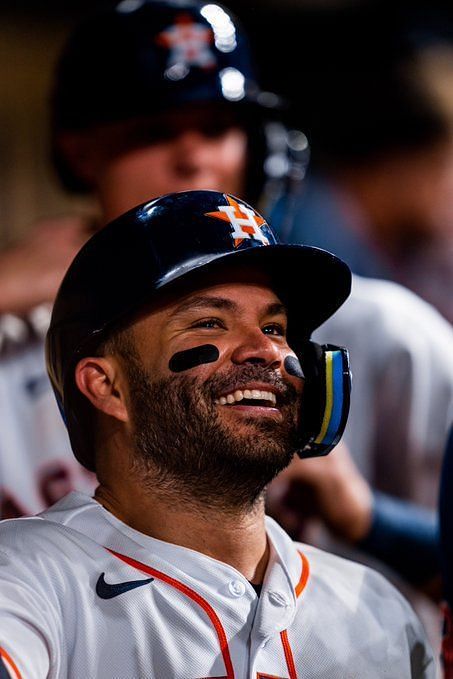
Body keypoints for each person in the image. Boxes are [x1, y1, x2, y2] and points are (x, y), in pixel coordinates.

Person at [0, 190, 435, 678]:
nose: (266, 351)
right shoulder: (25, 580)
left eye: (275, 327)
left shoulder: (376, 611)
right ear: (107, 387)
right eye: (211, 323)